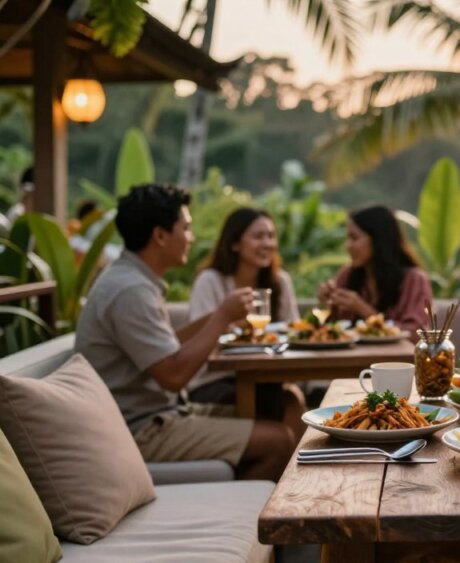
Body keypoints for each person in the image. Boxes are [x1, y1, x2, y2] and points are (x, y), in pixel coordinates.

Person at [75, 184, 294, 481]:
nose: (191, 238)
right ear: (161, 236)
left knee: (277, 416)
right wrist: (220, 318)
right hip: (140, 428)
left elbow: (164, 350)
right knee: (278, 441)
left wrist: (222, 319)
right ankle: (237, 518)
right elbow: (173, 375)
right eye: (186, 228)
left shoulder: (132, 280)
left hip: (162, 415)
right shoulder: (131, 290)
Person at [187, 208, 305, 436]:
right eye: (258, 236)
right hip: (214, 380)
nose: (267, 243)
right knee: (276, 401)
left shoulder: (279, 282)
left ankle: (288, 467)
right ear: (234, 244)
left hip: (266, 377)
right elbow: (201, 343)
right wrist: (232, 323)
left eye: (271, 236)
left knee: (292, 399)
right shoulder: (210, 281)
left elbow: (294, 331)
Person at [318, 205, 431, 334]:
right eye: (347, 239)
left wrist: (365, 311)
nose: (347, 246)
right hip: (351, 354)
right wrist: (324, 304)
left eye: (354, 238)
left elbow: (417, 334)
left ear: (378, 239)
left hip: (395, 354)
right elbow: (328, 332)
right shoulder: (347, 274)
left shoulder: (414, 280)